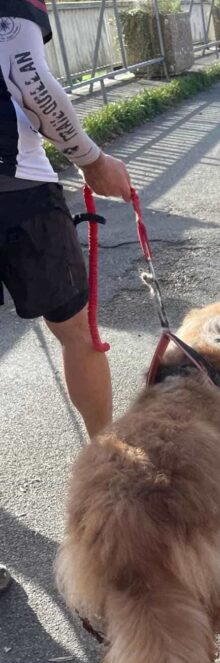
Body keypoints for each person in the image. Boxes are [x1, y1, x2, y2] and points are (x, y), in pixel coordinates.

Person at [0, 0, 132, 440]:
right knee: (78, 332)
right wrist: (91, 160)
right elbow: (29, 76)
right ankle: (105, 456)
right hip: (17, 188)